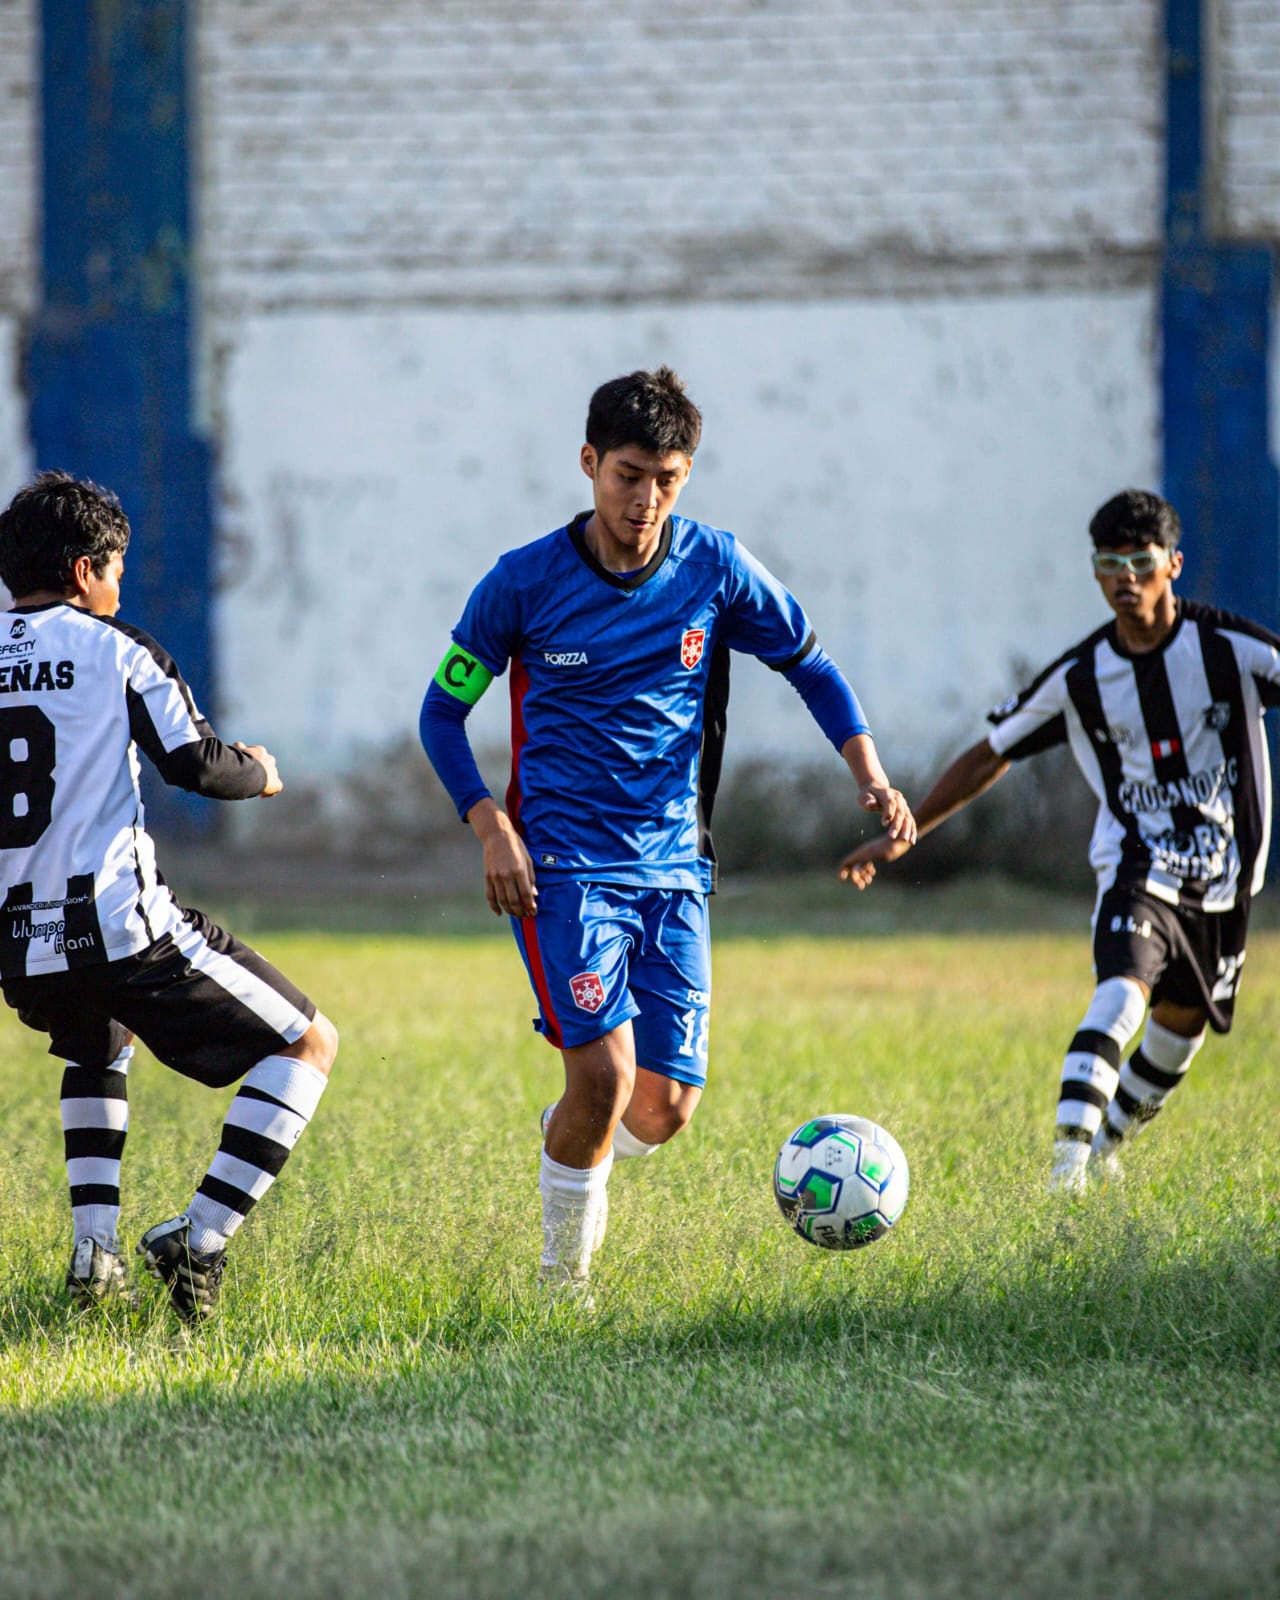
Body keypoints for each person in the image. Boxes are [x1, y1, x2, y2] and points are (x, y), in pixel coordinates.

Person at [420, 366, 915, 1295]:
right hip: (560, 867)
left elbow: (812, 663)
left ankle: (570, 1134)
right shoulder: (521, 583)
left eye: (668, 478)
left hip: (674, 866)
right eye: (628, 475)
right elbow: (439, 715)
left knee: (663, 1109)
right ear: (589, 464)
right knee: (605, 1077)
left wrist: (872, 777)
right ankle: (562, 1290)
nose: (646, 499)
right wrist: (492, 829)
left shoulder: (715, 565)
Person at [840, 488, 1280, 1193]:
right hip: (1136, 865)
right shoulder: (1081, 677)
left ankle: (1104, 1148)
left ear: (1174, 563)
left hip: (1225, 877)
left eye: (1140, 561)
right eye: (1109, 563)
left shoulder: (1234, 651)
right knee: (1124, 991)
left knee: (1180, 1031)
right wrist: (910, 830)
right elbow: (991, 751)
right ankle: (1065, 1176)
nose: (1123, 578)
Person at [0, 470, 338, 1321]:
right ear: (85, 571)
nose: (119, 586)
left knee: (97, 1043)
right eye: (115, 567)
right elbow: (195, 763)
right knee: (307, 1042)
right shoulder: (118, 649)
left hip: (16, 943)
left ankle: (93, 1255)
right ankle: (199, 1238)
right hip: (119, 926)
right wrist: (260, 771)